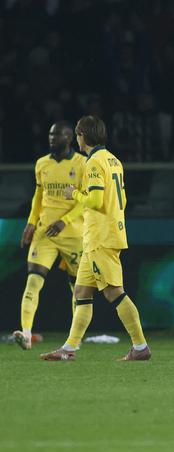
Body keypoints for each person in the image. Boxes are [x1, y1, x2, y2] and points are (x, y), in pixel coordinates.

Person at [40, 116, 150, 361]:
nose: (77, 139)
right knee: (81, 291)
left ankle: (140, 347)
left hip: (101, 236)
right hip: (101, 235)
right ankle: (69, 350)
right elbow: (122, 199)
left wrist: (75, 194)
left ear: (83, 135)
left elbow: (96, 200)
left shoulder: (92, 163)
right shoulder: (114, 160)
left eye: (78, 134)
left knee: (114, 291)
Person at [13, 122, 86, 350]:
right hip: (45, 232)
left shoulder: (82, 164)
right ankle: (25, 334)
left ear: (69, 138)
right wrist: (31, 223)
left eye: (58, 135)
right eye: (51, 134)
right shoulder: (41, 164)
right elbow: (38, 197)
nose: (53, 138)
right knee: (33, 280)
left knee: (77, 288)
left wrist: (65, 221)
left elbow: (88, 201)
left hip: (73, 233)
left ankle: (75, 339)